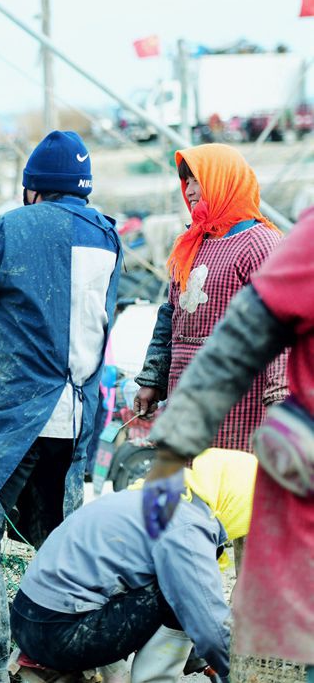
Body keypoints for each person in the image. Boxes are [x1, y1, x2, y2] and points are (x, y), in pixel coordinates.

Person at [0, 130, 122, 682]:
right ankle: (78, 661)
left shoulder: (15, 227)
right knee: (60, 543)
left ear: (33, 190)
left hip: (12, 417)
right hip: (77, 415)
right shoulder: (108, 236)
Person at [145, 205, 314, 680]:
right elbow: (236, 346)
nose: (190, 192)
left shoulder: (261, 243)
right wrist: (175, 444)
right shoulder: (303, 246)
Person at [10, 449, 255, 683]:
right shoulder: (186, 525)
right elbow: (212, 629)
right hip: (59, 635)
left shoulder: (159, 496)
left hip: (27, 620)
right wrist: (243, 672)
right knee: (184, 592)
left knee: (178, 584)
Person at [134, 144, 286, 449]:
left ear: (222, 179)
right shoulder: (191, 243)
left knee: (228, 488)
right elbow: (170, 316)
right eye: (185, 181)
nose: (189, 191)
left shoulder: (260, 244)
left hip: (239, 403)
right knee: (189, 491)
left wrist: (281, 402)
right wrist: (153, 378)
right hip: (185, 397)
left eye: (196, 180)